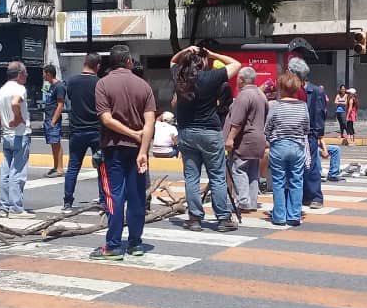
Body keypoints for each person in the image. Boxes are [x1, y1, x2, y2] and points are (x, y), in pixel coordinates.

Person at [91, 44, 156, 260]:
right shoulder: (143, 86)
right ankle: (136, 243)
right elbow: (150, 121)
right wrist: (143, 148)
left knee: (114, 197)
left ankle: (113, 245)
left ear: (111, 63)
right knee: (137, 197)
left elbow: (106, 119)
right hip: (138, 150)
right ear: (128, 61)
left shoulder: (103, 84)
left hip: (113, 149)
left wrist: (132, 134)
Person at [171, 44, 241, 232]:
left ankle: (194, 218)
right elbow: (236, 64)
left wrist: (187, 50)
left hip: (187, 132)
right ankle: (223, 218)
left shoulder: (180, 76)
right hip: (210, 131)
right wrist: (212, 54)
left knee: (191, 177)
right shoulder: (211, 77)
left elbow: (173, 60)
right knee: (217, 175)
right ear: (203, 62)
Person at [264, 72, 309, 227]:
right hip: (297, 146)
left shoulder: (275, 105)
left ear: (281, 88)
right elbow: (306, 128)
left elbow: (268, 127)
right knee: (297, 180)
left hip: (279, 146)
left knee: (278, 181)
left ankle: (279, 216)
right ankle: (294, 216)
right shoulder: (303, 106)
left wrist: (269, 137)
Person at [62, 53, 105, 213]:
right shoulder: (100, 83)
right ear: (98, 66)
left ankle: (67, 201)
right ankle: (103, 199)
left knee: (73, 167)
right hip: (96, 131)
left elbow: (71, 99)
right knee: (101, 167)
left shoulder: (72, 81)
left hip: (77, 130)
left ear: (84, 63)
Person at [225, 67, 268, 213]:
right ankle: (252, 201)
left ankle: (243, 201)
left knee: (238, 169)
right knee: (252, 171)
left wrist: (230, 138)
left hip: (245, 140)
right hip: (258, 139)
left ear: (242, 80)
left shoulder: (244, 96)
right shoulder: (261, 95)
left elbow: (237, 121)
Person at [286, 57, 327, 209]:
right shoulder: (290, 90)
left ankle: (316, 196)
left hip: (308, 135)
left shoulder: (316, 91)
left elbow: (319, 115)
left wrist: (316, 136)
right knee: (297, 168)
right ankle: (302, 196)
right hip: (293, 134)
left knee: (311, 167)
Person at [0, 61, 30, 216]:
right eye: (26, 72)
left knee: (5, 171)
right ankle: (16, 207)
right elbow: (15, 102)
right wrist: (17, 118)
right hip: (20, 135)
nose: (27, 75)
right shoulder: (19, 89)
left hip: (7, 135)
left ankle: (4, 206)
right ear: (20, 74)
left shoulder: (2, 90)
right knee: (18, 172)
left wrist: (6, 123)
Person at [41, 64, 66, 177]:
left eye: (44, 74)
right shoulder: (51, 86)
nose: (43, 76)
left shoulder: (59, 86)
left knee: (56, 143)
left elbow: (60, 105)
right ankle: (55, 166)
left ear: (49, 74)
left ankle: (60, 168)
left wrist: (53, 121)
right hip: (48, 118)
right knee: (52, 143)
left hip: (53, 119)